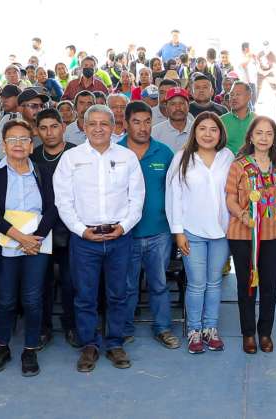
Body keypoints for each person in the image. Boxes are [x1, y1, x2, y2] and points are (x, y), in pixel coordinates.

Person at [53, 104, 145, 372]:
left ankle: (115, 343)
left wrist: (124, 226)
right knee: (85, 296)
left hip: (119, 236)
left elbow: (136, 198)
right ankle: (89, 345)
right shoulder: (71, 158)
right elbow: (63, 200)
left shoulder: (127, 157)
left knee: (118, 294)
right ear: (83, 126)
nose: (98, 128)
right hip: (84, 238)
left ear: (115, 126)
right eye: (92, 123)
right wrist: (81, 230)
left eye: (104, 123)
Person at [0, 119, 56, 377]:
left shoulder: (42, 172)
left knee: (33, 298)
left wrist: (36, 237)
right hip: (5, 241)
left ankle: (30, 349)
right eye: (13, 140)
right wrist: (19, 236)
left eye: (24, 139)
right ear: (4, 145)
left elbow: (53, 208)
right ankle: (2, 347)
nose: (19, 144)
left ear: (32, 145)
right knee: (5, 298)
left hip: (37, 243)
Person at [167, 112, 234, 354]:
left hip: (221, 233)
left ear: (220, 133)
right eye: (202, 128)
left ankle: (210, 328)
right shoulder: (182, 158)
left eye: (213, 129)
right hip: (191, 231)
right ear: (194, 132)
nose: (208, 134)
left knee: (215, 283)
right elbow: (173, 196)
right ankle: (194, 330)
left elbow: (234, 193)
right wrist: (178, 232)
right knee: (196, 284)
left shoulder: (227, 157)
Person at [116, 101, 179, 348]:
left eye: (147, 121)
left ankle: (162, 328)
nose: (143, 127)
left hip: (159, 232)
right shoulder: (115, 153)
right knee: (127, 284)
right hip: (125, 233)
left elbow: (175, 192)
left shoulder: (164, 153)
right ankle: (124, 328)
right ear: (125, 123)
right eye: (136, 122)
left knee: (159, 283)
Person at [226, 116, 276, 354]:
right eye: (259, 133)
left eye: (269, 134)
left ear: (274, 138)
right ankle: (248, 333)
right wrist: (243, 216)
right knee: (246, 285)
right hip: (244, 234)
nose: (264, 138)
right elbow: (230, 197)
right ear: (251, 137)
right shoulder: (238, 165)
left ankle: (265, 332)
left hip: (274, 234)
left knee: (270, 286)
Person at [31, 108, 78, 347]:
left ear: (63, 127)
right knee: (41, 282)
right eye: (43, 128)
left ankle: (72, 326)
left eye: (54, 126)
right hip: (40, 230)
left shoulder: (76, 154)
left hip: (71, 229)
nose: (49, 133)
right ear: (36, 131)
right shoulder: (32, 157)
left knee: (71, 283)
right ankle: (43, 327)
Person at [150, 87, 195, 152]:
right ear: (166, 107)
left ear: (188, 106)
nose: (178, 108)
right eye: (173, 104)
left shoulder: (197, 130)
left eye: (181, 103)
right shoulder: (155, 132)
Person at [221, 81, 256, 153]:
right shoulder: (221, 121)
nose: (233, 98)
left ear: (249, 96)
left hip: (252, 163)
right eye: (231, 94)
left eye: (238, 94)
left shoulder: (257, 120)